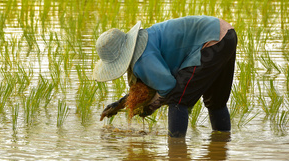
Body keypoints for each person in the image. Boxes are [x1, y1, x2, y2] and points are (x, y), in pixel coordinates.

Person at [93, 16, 237, 137]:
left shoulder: (141, 60)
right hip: (226, 34)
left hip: (211, 42)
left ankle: (176, 154)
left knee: (178, 99)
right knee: (216, 102)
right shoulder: (144, 40)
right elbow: (151, 87)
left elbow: (168, 87)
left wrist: (149, 108)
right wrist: (119, 104)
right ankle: (221, 146)